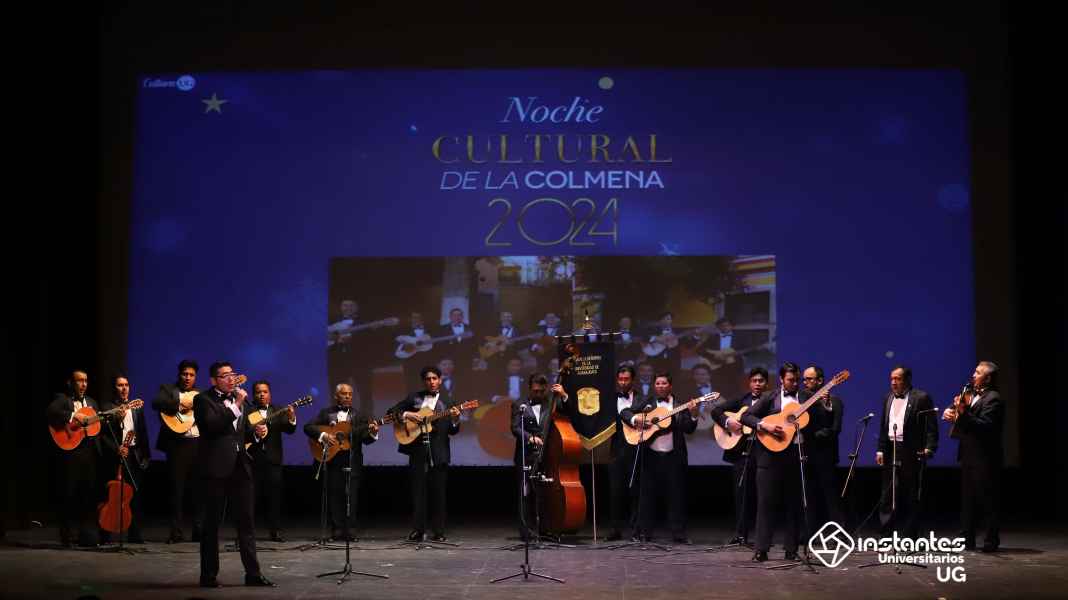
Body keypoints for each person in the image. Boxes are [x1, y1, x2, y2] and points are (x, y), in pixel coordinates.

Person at [193, 362, 274, 588]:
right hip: (215, 468)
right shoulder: (203, 400)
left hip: (241, 467)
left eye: (233, 375)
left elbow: (242, 433)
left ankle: (253, 574)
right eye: (225, 376)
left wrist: (257, 433)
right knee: (211, 524)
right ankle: (208, 576)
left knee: (247, 522)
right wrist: (237, 404)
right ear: (213, 380)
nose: (231, 379)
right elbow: (212, 426)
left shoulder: (244, 402)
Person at [621, 372, 698, 544]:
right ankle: (644, 533)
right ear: (654, 386)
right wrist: (636, 420)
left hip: (673, 457)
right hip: (650, 457)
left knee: (676, 496)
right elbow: (625, 412)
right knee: (647, 497)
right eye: (658, 383)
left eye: (664, 383)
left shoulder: (679, 405)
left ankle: (679, 534)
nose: (661, 386)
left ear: (670, 386)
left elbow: (689, 428)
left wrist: (693, 414)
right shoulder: (647, 402)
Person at [740, 362, 805, 562]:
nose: (795, 383)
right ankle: (761, 549)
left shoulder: (806, 398)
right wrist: (764, 425)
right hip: (769, 456)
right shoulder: (770, 397)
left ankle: (791, 549)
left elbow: (821, 419)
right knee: (766, 503)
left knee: (793, 504)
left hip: (794, 455)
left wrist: (826, 404)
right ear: (781, 380)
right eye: (790, 380)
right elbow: (746, 416)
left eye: (797, 380)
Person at [390, 366, 461, 542]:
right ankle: (418, 530)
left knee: (438, 494)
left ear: (440, 380)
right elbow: (392, 412)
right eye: (428, 379)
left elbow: (453, 431)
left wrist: (455, 419)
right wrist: (408, 414)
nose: (431, 382)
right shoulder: (413, 398)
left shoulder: (448, 402)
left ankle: (439, 531)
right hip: (417, 451)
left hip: (439, 452)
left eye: (434, 378)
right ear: (424, 381)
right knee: (418, 493)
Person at [304, 383, 378, 542]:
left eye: (350, 394)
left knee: (351, 496)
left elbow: (365, 440)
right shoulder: (326, 413)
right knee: (334, 495)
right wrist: (323, 435)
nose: (348, 396)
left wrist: (373, 433)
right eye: (344, 394)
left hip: (352, 460)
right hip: (332, 460)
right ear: (336, 396)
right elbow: (308, 427)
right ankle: (336, 530)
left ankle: (350, 531)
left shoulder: (359, 416)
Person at [943, 361, 1004, 552]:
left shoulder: (993, 398)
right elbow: (962, 415)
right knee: (968, 499)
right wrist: (950, 412)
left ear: (988, 378)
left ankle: (990, 540)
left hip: (985, 457)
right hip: (968, 454)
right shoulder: (969, 393)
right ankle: (966, 538)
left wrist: (962, 414)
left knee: (987, 499)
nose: (973, 375)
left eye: (978, 373)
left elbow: (985, 426)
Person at [876, 366, 938, 539]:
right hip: (891, 448)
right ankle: (886, 536)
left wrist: (930, 447)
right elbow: (884, 426)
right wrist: (880, 449)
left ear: (907, 380)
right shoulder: (888, 397)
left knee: (911, 494)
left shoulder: (921, 397)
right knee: (888, 494)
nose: (893, 382)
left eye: (898, 379)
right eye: (892, 379)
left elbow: (931, 426)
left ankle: (910, 537)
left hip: (910, 449)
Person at [710, 366, 768, 545]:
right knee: (741, 494)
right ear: (749, 383)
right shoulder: (741, 400)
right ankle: (741, 534)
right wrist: (728, 422)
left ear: (766, 384)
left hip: (764, 453)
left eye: (761, 381)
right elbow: (716, 411)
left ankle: (762, 537)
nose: (757, 384)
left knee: (763, 496)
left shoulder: (771, 401)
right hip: (742, 454)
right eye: (754, 381)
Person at [46, 369, 101, 547]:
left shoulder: (92, 403)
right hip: (70, 453)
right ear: (71, 383)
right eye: (79, 381)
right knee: (68, 494)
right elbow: (51, 411)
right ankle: (66, 535)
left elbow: (96, 426)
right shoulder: (63, 399)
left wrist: (110, 417)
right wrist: (73, 415)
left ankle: (86, 535)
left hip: (88, 453)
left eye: (86, 381)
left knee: (88, 495)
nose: (83, 384)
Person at [151, 359, 205, 543]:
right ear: (179, 374)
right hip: (176, 445)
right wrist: (181, 404)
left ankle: (198, 530)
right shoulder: (168, 390)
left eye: (191, 375)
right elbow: (156, 402)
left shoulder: (201, 394)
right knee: (176, 490)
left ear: (195, 377)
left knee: (198, 490)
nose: (188, 377)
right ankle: (176, 532)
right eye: (185, 374)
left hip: (197, 444)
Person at [510, 373, 568, 540]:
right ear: (529, 388)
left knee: (545, 494)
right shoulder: (519, 404)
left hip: (546, 455)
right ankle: (526, 531)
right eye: (535, 391)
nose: (539, 394)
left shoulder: (552, 401)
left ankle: (546, 529)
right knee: (525, 493)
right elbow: (515, 427)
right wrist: (530, 437)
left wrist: (564, 395)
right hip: (526, 455)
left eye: (542, 391)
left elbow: (569, 411)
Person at [98, 373, 150, 544]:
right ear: (114, 388)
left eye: (126, 385)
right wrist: (116, 449)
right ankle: (105, 534)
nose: (124, 388)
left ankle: (135, 534)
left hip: (133, 455)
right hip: (115, 455)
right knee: (110, 495)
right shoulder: (107, 407)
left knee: (134, 495)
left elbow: (142, 432)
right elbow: (102, 434)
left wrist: (146, 455)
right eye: (120, 385)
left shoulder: (136, 407)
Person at [244, 380, 297, 542]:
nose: (262, 394)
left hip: (273, 460)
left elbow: (289, 430)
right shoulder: (247, 410)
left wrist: (291, 417)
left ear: (270, 394)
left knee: (274, 498)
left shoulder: (278, 410)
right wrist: (255, 433)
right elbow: (242, 431)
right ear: (254, 395)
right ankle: (247, 533)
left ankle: (275, 531)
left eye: (265, 391)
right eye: (258, 392)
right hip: (251, 459)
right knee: (250, 499)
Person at [802, 365, 847, 531]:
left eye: (809, 379)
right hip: (805, 455)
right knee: (809, 496)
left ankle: (838, 533)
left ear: (820, 380)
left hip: (825, 456)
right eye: (804, 379)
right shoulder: (802, 402)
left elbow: (835, 429)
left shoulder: (835, 401)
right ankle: (810, 532)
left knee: (831, 496)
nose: (805, 382)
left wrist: (826, 405)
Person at [608, 365, 642, 541]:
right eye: (620, 379)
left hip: (636, 449)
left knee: (636, 492)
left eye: (626, 379)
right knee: (615, 492)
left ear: (633, 380)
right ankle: (615, 530)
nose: (623, 382)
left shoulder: (643, 399)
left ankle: (636, 531)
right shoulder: (610, 399)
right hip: (616, 449)